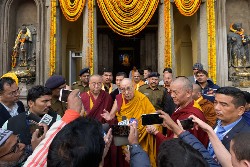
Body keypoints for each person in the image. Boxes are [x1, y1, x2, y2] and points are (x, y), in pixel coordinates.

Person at [23, 89, 112, 167]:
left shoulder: (55, 117)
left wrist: (71, 115)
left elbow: (36, 163)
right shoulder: (14, 121)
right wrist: (100, 159)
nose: (49, 104)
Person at [101, 78, 158, 167]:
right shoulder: (119, 99)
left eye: (128, 88)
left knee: (140, 159)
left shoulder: (142, 98)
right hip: (124, 133)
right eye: (123, 89)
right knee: (126, 158)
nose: (126, 92)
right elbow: (114, 117)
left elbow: (154, 116)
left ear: (134, 87)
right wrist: (109, 117)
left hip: (142, 135)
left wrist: (152, 126)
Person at [147, 77, 208, 148]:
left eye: (175, 92)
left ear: (188, 93)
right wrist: (168, 125)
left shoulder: (191, 116)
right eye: (171, 92)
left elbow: (177, 144)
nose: (172, 95)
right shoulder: (180, 106)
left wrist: (155, 132)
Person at [207, 87, 250, 160]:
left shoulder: (245, 137)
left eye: (224, 105)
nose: (217, 108)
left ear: (240, 110)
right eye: (215, 102)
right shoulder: (218, 121)